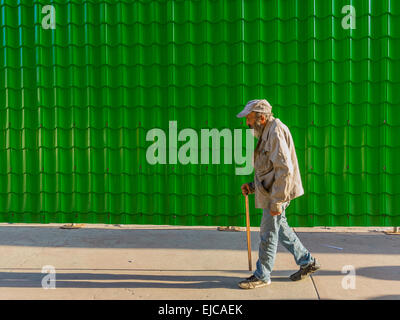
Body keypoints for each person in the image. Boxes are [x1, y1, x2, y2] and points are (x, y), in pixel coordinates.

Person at [236, 99, 321, 289]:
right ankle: (307, 262)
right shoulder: (267, 131)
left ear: (262, 117)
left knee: (268, 235)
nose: (247, 123)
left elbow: (284, 170)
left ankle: (262, 275)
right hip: (273, 192)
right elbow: (270, 169)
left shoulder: (274, 132)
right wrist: (252, 185)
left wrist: (276, 202)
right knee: (281, 229)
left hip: (277, 195)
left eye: (249, 119)